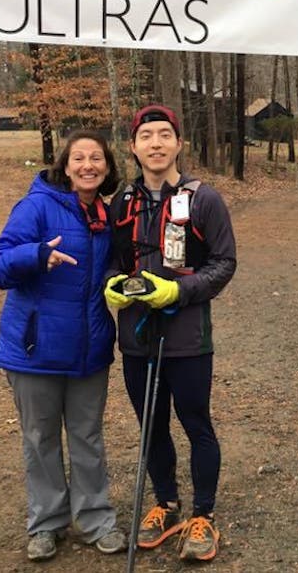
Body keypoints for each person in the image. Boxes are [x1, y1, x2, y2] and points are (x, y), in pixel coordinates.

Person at [105, 104, 236, 563]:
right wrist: (113, 285)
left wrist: (177, 291)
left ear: (179, 143)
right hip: (137, 338)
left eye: (164, 135)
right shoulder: (122, 202)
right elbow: (112, 261)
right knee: (151, 426)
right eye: (146, 136)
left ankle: (203, 514)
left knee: (196, 421)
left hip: (188, 337)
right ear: (134, 146)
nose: (156, 143)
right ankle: (165, 504)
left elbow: (224, 264)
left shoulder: (204, 199)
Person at [0, 131, 127, 562]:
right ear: (65, 166)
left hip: (90, 349)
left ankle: (95, 520)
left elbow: (115, 264)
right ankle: (46, 523)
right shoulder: (37, 206)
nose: (88, 165)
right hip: (35, 349)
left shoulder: (108, 214)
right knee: (40, 439)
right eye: (79, 158)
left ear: (107, 168)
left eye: (97, 158)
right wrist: (35, 256)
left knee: (87, 437)